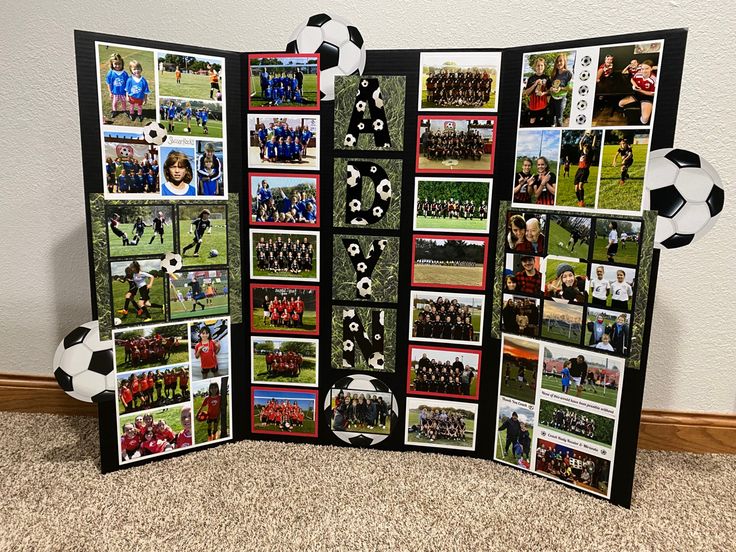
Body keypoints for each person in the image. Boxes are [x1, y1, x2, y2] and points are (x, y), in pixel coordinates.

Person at [618, 59, 656, 124]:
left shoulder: (654, 79)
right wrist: (635, 85)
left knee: (645, 120)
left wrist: (640, 90)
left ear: (651, 69)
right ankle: (629, 114)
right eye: (642, 69)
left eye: (647, 68)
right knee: (620, 103)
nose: (644, 71)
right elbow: (632, 79)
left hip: (647, 97)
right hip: (637, 94)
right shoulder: (638, 73)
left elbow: (653, 94)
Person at [523, 57, 549, 126]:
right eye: (538, 65)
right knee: (532, 122)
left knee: (541, 123)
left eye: (541, 65)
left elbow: (549, 91)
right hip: (533, 107)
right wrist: (534, 84)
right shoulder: (531, 78)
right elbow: (526, 93)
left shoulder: (547, 78)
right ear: (535, 67)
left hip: (543, 106)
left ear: (544, 66)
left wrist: (543, 93)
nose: (540, 67)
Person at [548, 54, 573, 127]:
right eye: (557, 62)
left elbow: (571, 88)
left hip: (561, 99)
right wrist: (551, 88)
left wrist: (561, 88)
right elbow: (550, 86)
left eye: (560, 61)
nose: (558, 63)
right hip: (552, 98)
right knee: (551, 116)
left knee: (559, 119)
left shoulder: (568, 73)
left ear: (564, 61)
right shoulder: (554, 73)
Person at [105, 53, 128, 119]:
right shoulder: (110, 73)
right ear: (112, 64)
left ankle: (124, 110)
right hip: (115, 92)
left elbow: (127, 84)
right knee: (114, 102)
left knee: (124, 102)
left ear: (122, 64)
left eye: (119, 64)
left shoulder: (124, 73)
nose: (117, 66)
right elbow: (108, 83)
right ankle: (114, 111)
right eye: (115, 64)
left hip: (122, 92)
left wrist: (127, 93)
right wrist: (110, 92)